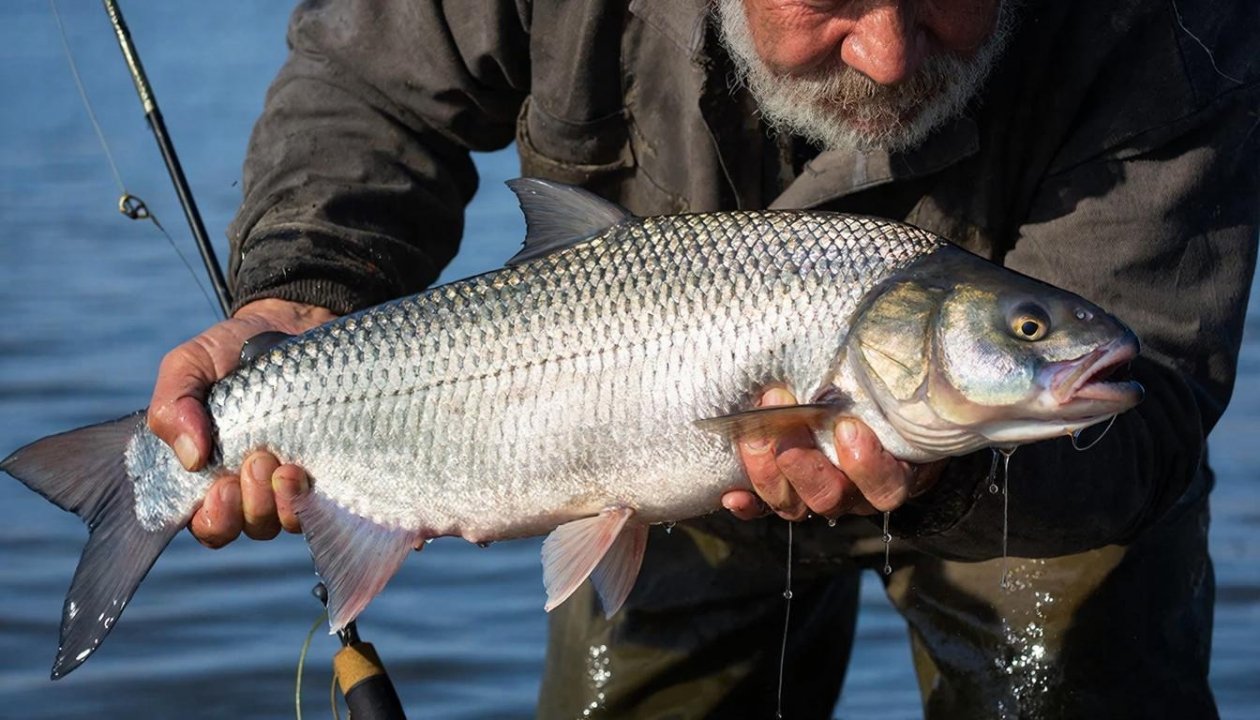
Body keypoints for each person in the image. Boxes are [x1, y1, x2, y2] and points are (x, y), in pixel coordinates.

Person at [146, 0, 1259, 717]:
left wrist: (954, 464)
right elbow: (371, 86)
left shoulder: (1173, 25)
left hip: (1034, 466)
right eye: (827, 0)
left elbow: (1147, 372)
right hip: (648, 456)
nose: (885, 53)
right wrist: (304, 286)